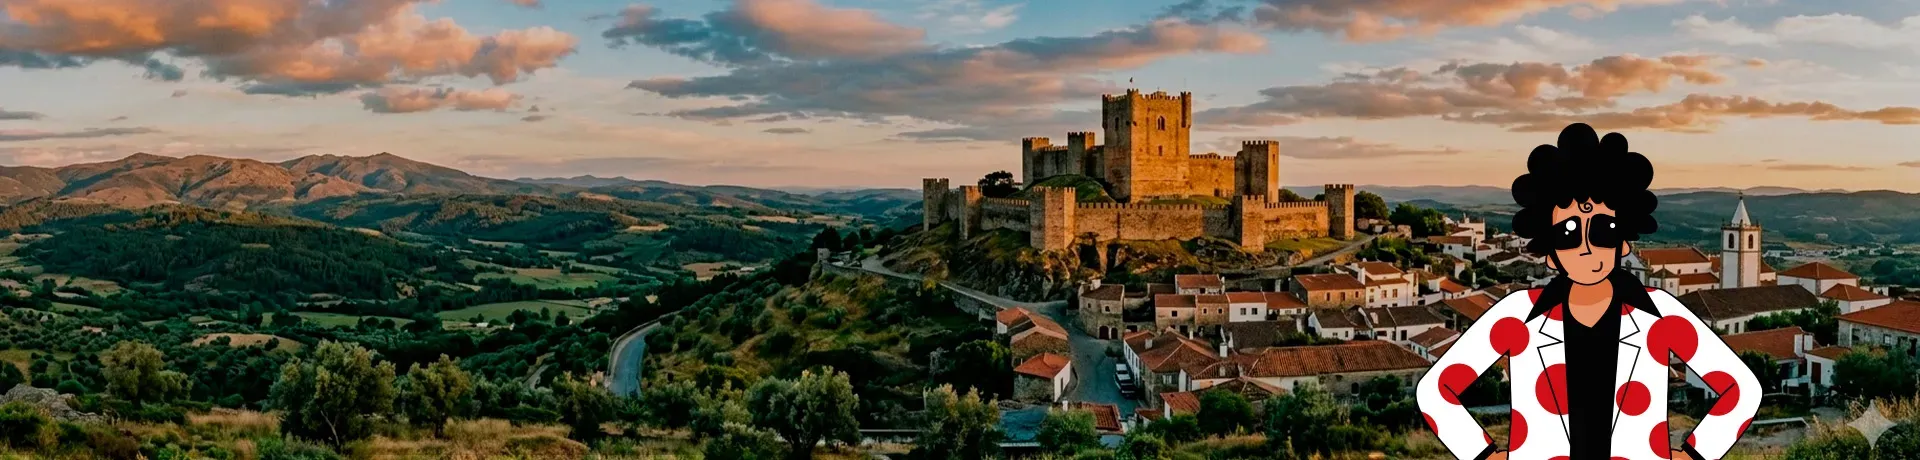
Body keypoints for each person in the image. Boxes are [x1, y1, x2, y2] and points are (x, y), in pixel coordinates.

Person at [1414, 123, 1761, 460]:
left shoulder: (1660, 315)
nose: (1585, 247)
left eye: (1603, 230)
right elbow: (1435, 392)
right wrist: (1484, 454)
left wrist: (1695, 454)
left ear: (1623, 242)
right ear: (1550, 253)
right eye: (1567, 234)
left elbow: (1742, 390)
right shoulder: (1517, 315)